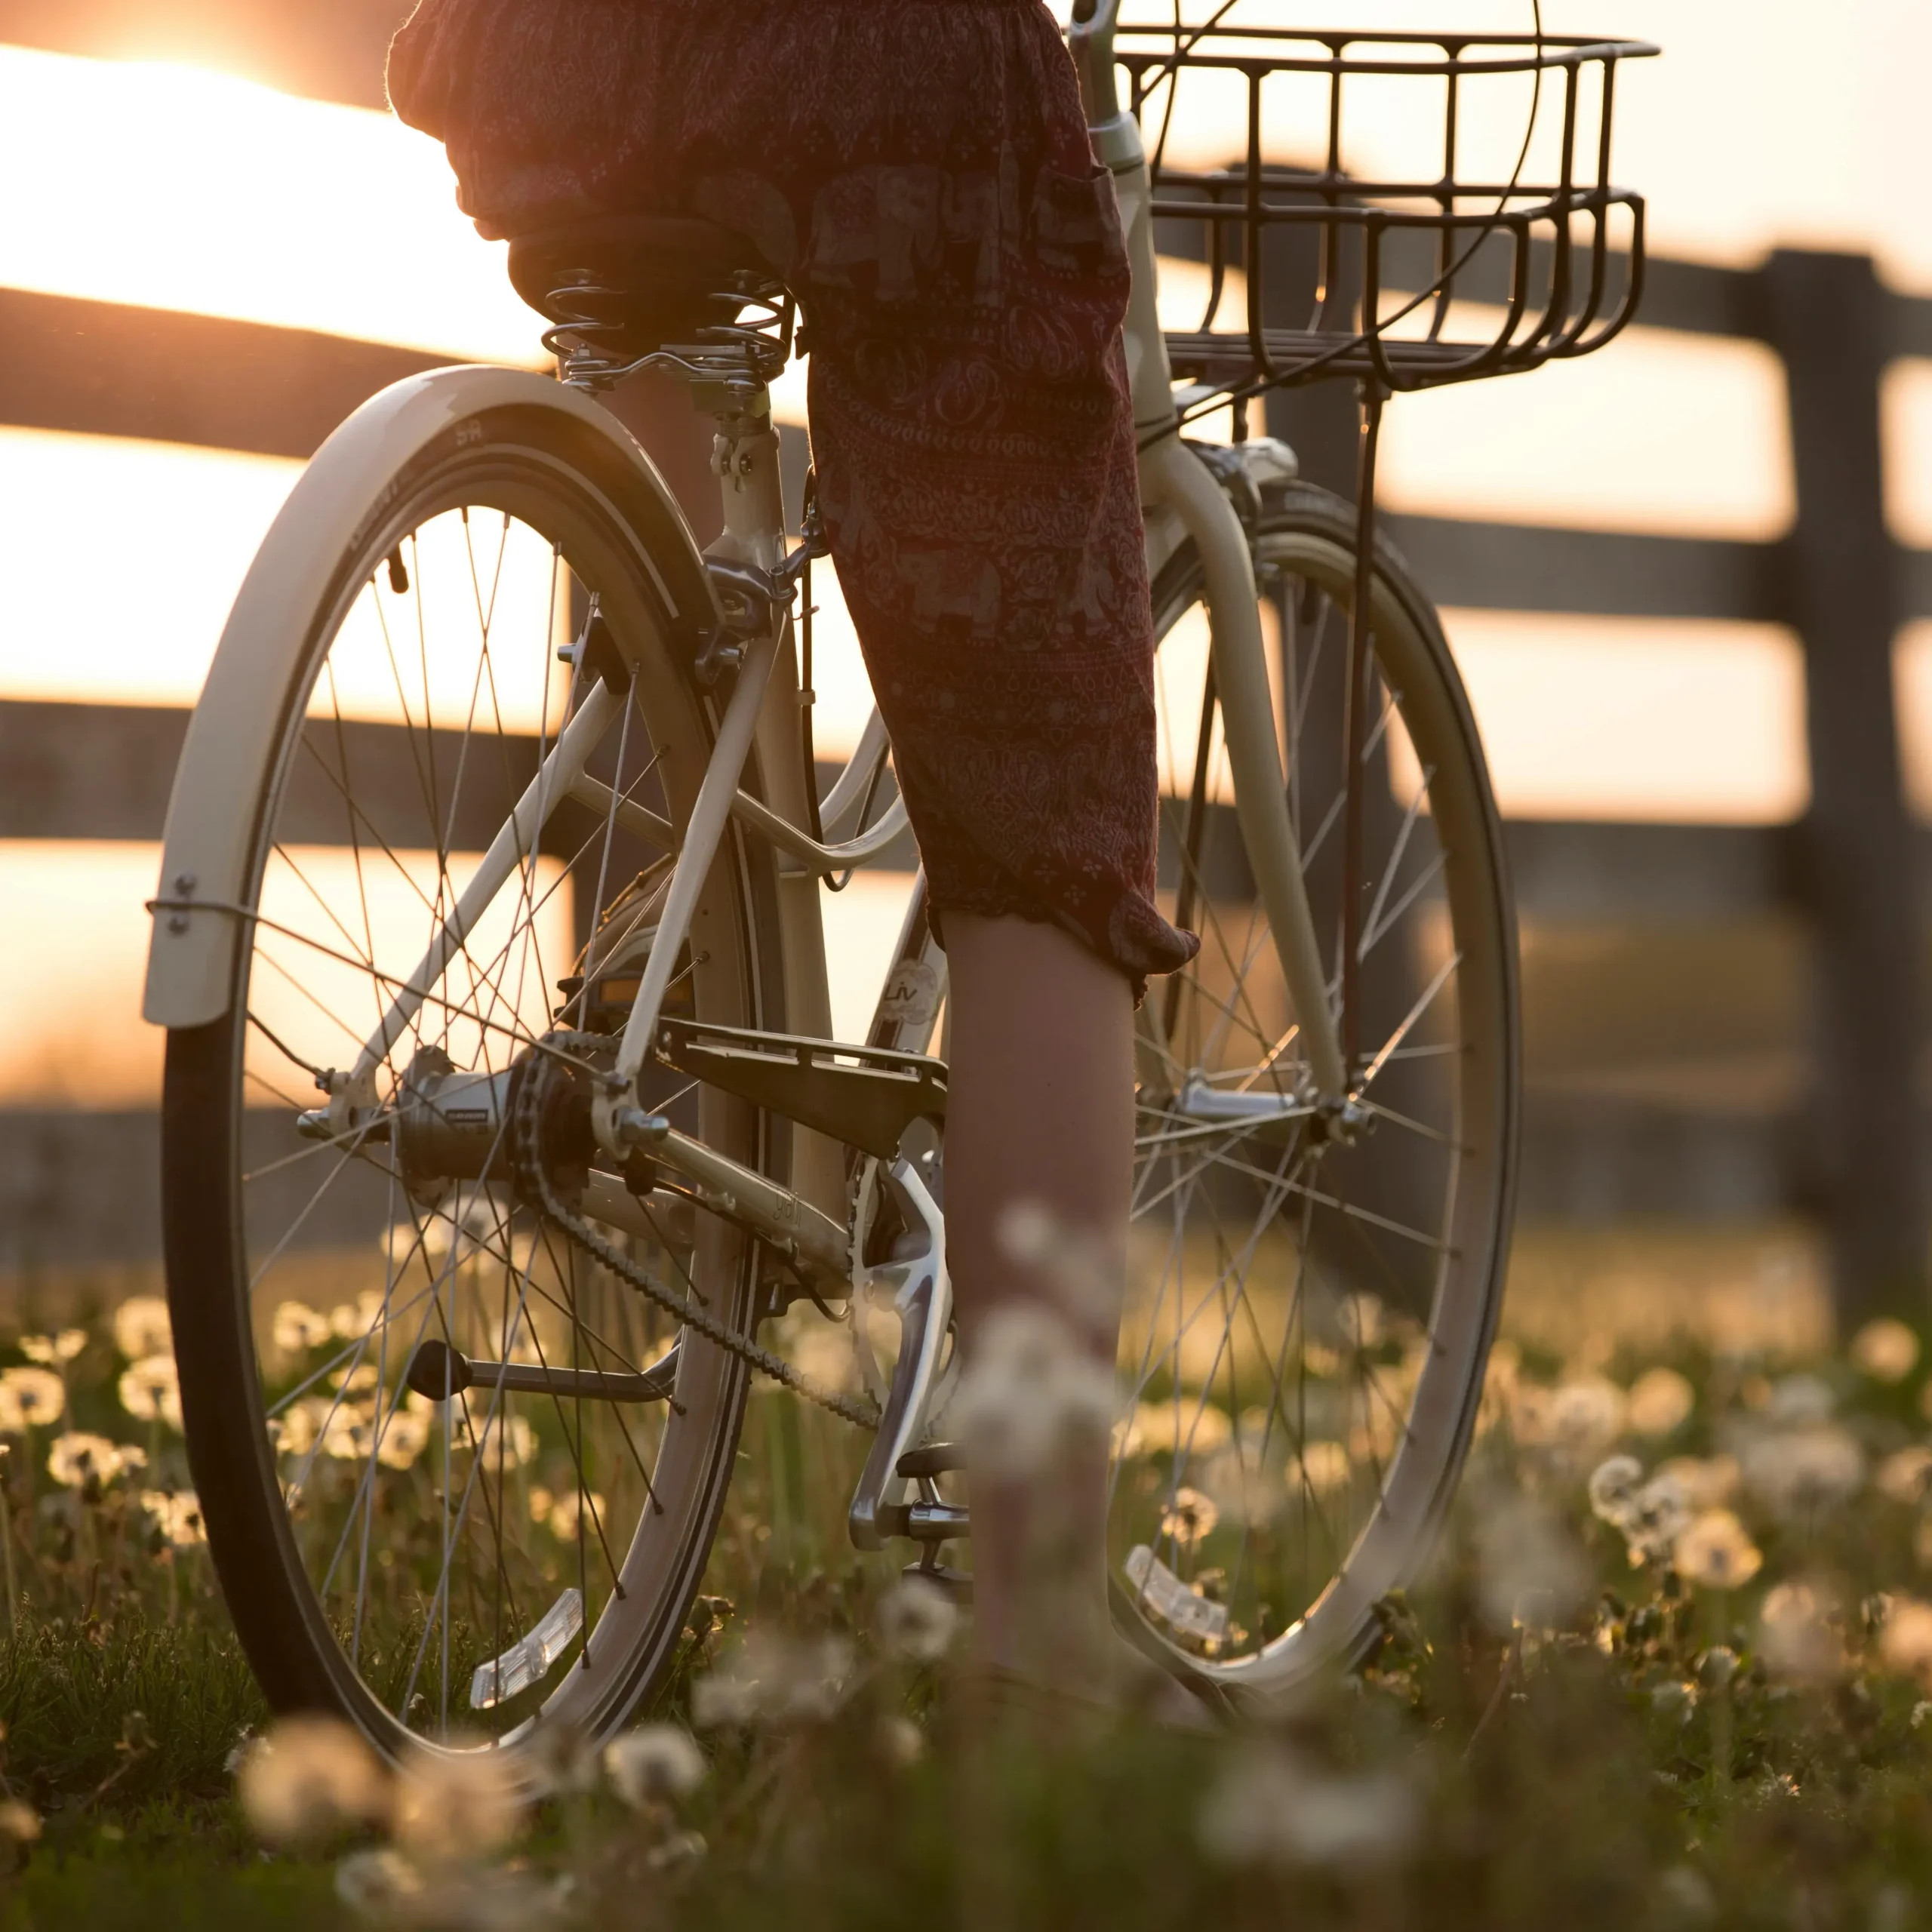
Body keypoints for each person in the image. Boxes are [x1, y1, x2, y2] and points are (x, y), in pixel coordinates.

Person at [386, 0, 1198, 1703]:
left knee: (671, 562)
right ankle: (1036, 1646)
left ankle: (670, 989)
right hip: (876, 73)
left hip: (543, 56)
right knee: (1040, 817)